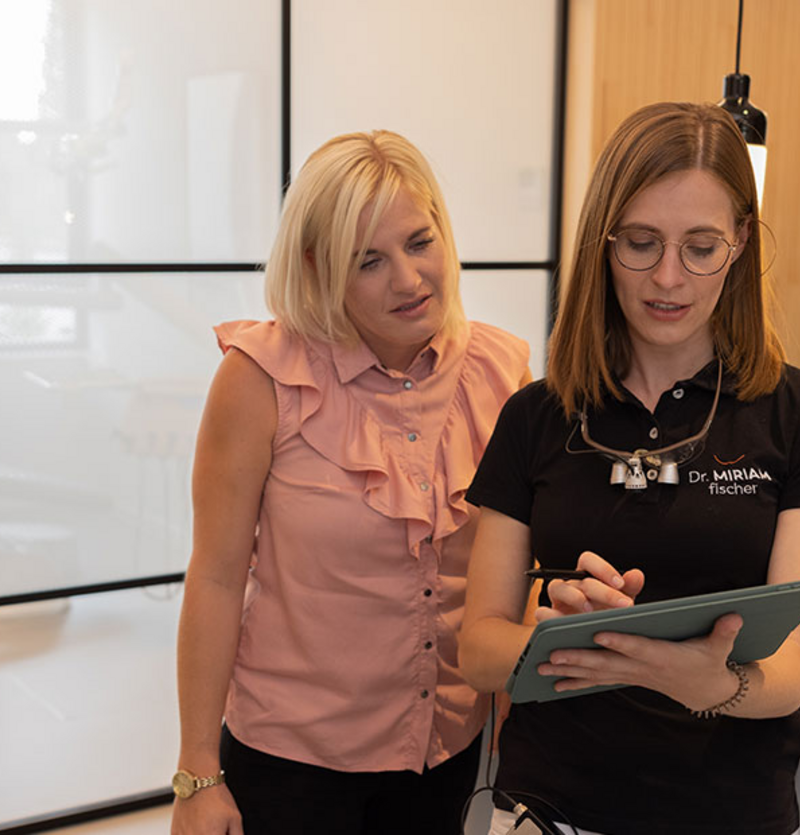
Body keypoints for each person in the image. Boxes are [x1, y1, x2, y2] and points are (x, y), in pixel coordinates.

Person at [458, 101, 800, 835]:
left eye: (702, 246)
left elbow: (789, 674)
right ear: (603, 240)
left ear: (742, 241)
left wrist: (708, 680)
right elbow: (480, 650)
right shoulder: (538, 415)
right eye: (642, 243)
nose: (669, 278)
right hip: (548, 807)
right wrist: (573, 643)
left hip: (726, 811)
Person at [172, 129, 531, 835]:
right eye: (369, 260)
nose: (408, 278)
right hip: (292, 761)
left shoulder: (500, 372)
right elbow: (214, 577)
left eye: (420, 242)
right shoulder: (260, 378)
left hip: (447, 753)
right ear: (320, 266)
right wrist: (196, 773)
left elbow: (515, 577)